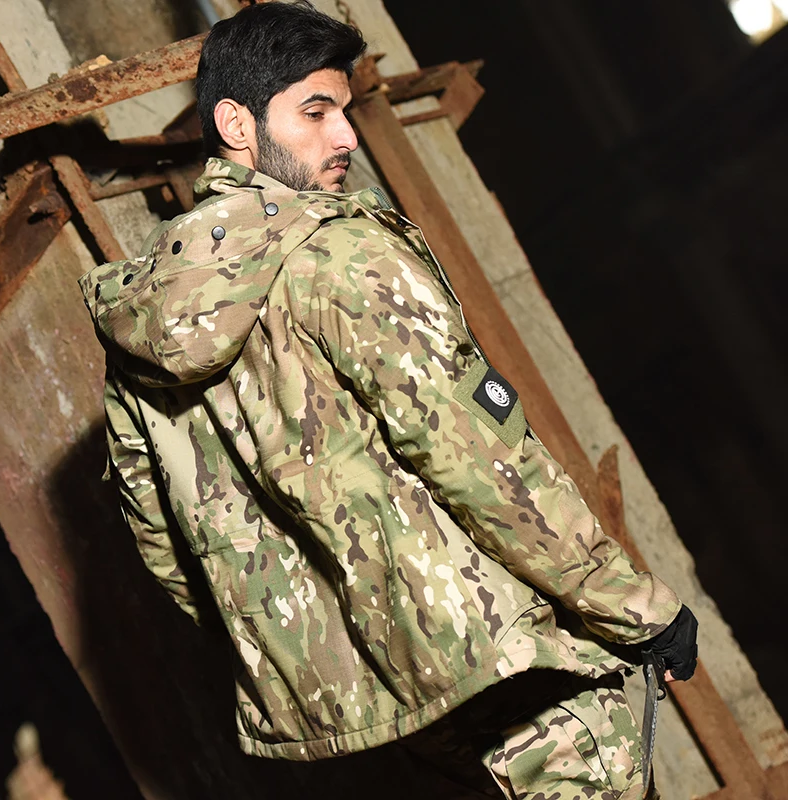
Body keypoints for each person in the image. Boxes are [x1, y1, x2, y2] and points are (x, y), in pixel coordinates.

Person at [79, 2, 698, 797]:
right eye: (315, 112)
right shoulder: (340, 252)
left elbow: (165, 543)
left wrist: (324, 640)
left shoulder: (139, 310)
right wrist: (635, 609)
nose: (346, 136)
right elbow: (479, 459)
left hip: (381, 698)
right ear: (236, 123)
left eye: (343, 111)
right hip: (499, 653)